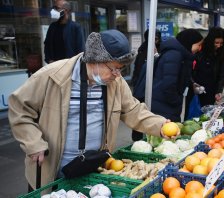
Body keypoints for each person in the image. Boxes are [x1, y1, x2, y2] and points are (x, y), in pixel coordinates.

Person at [8, 29, 176, 190]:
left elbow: (132, 110)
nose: (118, 74)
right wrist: (33, 142)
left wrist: (160, 125)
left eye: (121, 69)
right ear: (94, 60)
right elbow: (19, 108)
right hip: (51, 168)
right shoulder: (51, 76)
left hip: (93, 167)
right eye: (114, 68)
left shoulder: (115, 83)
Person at [150, 29, 203, 122]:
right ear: (190, 42)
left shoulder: (180, 54)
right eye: (198, 45)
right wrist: (176, 101)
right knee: (167, 133)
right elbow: (169, 84)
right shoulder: (174, 55)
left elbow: (178, 76)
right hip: (164, 105)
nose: (199, 48)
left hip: (166, 104)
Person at [192, 27, 224, 106]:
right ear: (211, 41)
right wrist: (193, 83)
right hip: (197, 87)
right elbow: (193, 69)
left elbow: (222, 74)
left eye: (221, 43)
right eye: (216, 43)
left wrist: (219, 91)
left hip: (212, 89)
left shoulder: (222, 54)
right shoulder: (200, 50)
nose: (218, 45)